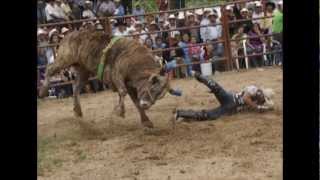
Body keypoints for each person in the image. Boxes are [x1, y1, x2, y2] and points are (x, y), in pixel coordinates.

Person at [174, 71, 275, 121]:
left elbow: (252, 103)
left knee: (208, 115)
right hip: (231, 100)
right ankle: (198, 75)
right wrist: (258, 107)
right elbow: (245, 98)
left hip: (230, 108)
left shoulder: (258, 98)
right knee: (215, 87)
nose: (262, 99)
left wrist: (264, 107)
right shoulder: (254, 90)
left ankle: (181, 114)